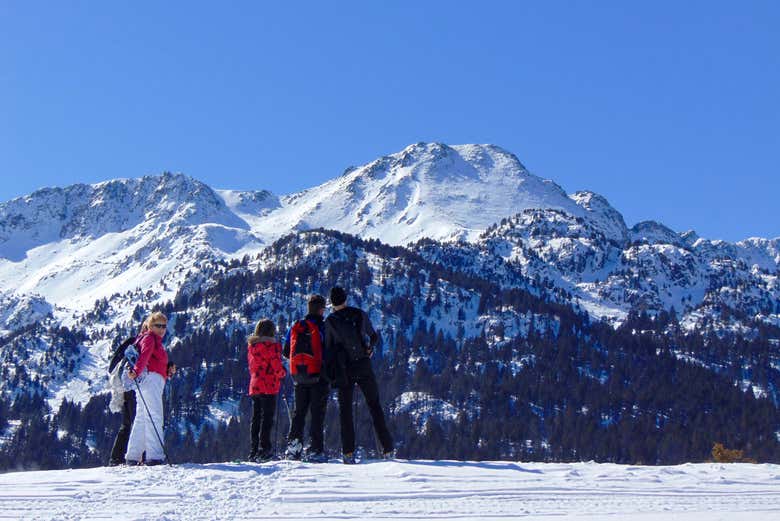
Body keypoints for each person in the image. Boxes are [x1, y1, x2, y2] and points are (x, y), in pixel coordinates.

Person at [324, 286, 393, 464]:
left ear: (331, 303)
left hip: (343, 369)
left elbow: (329, 348)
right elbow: (373, 336)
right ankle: (387, 449)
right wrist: (369, 348)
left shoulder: (330, 321)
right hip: (362, 364)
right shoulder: (359, 314)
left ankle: (348, 453)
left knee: (345, 411)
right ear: (346, 299)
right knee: (374, 405)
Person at [283, 294, 329, 462]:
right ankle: (315, 449)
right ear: (321, 309)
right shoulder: (323, 327)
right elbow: (330, 350)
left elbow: (286, 351)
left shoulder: (296, 326)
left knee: (299, 412)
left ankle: (293, 448)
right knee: (317, 413)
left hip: (300, 376)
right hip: (319, 375)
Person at [125, 311, 175, 466]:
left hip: (145, 380)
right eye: (157, 325)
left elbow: (149, 359)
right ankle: (154, 456)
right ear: (149, 325)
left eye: (164, 326)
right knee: (154, 415)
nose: (161, 329)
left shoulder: (146, 338)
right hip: (151, 380)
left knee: (142, 417)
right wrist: (136, 371)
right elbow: (144, 356)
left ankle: (133, 456)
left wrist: (167, 371)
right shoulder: (150, 338)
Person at [247, 318, 286, 462]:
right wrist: (282, 373)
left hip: (255, 384)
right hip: (269, 385)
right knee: (267, 419)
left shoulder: (252, 347)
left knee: (256, 418)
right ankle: (265, 450)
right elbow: (276, 367)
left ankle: (254, 450)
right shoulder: (272, 346)